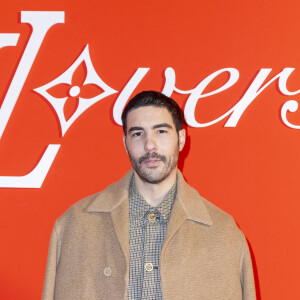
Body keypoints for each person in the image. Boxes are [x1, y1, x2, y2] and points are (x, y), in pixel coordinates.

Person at [42, 91, 256, 300]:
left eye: (161, 131)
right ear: (125, 143)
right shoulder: (75, 225)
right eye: (137, 134)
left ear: (181, 139)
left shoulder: (223, 233)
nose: (149, 145)